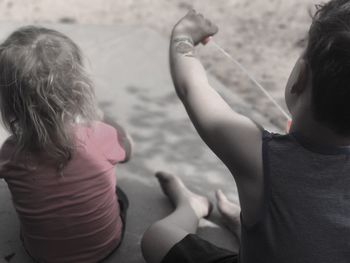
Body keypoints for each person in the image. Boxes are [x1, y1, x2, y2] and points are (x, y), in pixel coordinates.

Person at [141, 1, 350, 262]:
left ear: (301, 78)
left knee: (157, 237)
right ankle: (245, 223)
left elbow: (191, 88)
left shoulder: (260, 158)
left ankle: (191, 207)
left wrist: (183, 35)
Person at [0, 26, 132, 263]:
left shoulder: (10, 153)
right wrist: (101, 118)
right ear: (80, 90)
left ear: (9, 103)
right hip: (106, 247)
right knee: (119, 194)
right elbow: (128, 152)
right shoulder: (98, 134)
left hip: (42, 256)